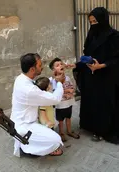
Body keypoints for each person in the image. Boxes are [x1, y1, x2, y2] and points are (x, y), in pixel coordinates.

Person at [72, 7, 119, 143]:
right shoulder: (91, 35)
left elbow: (116, 59)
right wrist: (76, 64)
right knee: (91, 101)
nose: (93, 25)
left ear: (103, 20)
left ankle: (103, 130)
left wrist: (101, 66)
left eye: (95, 21)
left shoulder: (114, 36)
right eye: (91, 22)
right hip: (90, 76)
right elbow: (87, 55)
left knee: (103, 104)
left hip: (106, 77)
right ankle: (90, 126)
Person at [10, 53, 65, 157]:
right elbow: (56, 99)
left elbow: (40, 87)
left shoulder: (20, 78)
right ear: (32, 69)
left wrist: (53, 79)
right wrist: (59, 83)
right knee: (56, 140)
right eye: (39, 66)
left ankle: (29, 144)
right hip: (24, 126)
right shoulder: (29, 90)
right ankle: (27, 150)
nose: (42, 67)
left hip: (18, 121)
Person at [49, 58, 80, 142]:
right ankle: (61, 133)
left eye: (61, 64)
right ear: (53, 69)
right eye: (57, 65)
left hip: (68, 103)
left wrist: (72, 90)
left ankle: (69, 131)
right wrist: (67, 91)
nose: (60, 66)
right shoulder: (52, 80)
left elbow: (71, 86)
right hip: (60, 105)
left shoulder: (67, 78)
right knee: (60, 120)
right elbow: (54, 91)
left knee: (68, 118)